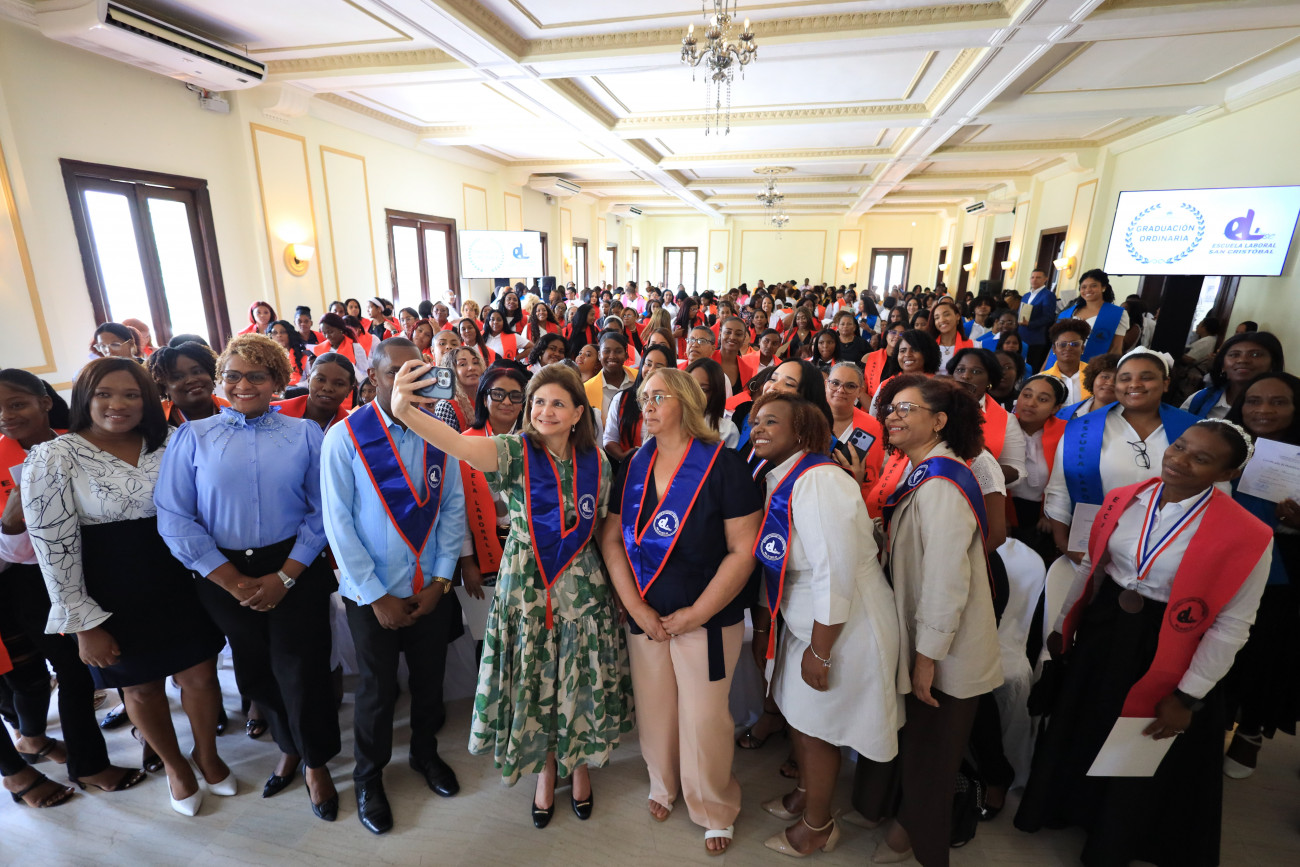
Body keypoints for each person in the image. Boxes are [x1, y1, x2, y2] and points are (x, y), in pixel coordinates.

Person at [1015, 421, 1270, 867]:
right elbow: (1093, 566)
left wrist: (1189, 696)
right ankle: (1071, 808)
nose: (1179, 459)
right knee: (1088, 721)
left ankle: (1115, 836)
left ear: (1227, 474)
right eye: (1180, 446)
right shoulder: (1127, 498)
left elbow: (1232, 624)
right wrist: (1063, 624)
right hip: (1107, 628)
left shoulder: (1247, 534)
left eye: (1201, 458)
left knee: (1142, 737)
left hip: (1169, 641)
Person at [388, 362, 632, 829]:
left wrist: (619, 591)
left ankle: (579, 765)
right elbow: (458, 445)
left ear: (578, 412)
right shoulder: (514, 451)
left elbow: (603, 529)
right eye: (537, 401)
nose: (545, 411)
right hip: (526, 588)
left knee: (578, 679)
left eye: (558, 403)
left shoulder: (598, 462)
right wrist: (405, 411)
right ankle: (546, 769)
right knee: (535, 680)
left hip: (583, 591)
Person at [21, 358, 228, 816]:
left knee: (200, 676)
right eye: (105, 394)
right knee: (141, 688)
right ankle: (176, 767)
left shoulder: (169, 441)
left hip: (181, 581)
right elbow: (53, 548)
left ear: (148, 399)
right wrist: (83, 624)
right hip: (111, 592)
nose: (119, 404)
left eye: (131, 394)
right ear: (85, 399)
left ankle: (207, 755)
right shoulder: (55, 456)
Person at [155, 334, 339, 821]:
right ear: (221, 381)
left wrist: (287, 576)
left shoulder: (305, 434)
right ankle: (289, 746)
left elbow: (324, 510)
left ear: (277, 380)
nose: (243, 385)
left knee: (303, 668)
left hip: (294, 564)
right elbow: (174, 515)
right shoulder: (193, 437)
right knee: (256, 670)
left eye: (256, 375)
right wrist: (231, 580)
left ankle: (316, 762)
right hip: (222, 570)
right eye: (233, 375)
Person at [599, 368, 761, 854]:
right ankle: (663, 782)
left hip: (707, 617)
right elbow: (611, 538)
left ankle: (714, 805)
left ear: (687, 403)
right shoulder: (632, 464)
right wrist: (635, 607)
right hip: (646, 616)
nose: (646, 406)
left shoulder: (725, 466)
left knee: (704, 717)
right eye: (642, 398)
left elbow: (743, 551)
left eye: (658, 397)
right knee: (655, 708)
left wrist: (696, 614)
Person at [320, 338, 468, 834]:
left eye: (417, 373)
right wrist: (376, 596)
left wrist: (442, 580)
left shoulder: (438, 433)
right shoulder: (345, 437)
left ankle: (425, 754)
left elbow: (452, 510)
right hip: (372, 596)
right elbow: (338, 524)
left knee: (429, 681)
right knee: (377, 690)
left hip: (429, 589)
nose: (407, 382)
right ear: (374, 378)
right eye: (395, 373)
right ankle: (368, 777)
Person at [854, 375, 1002, 866]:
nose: (891, 416)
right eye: (890, 408)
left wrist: (927, 657)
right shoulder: (923, 471)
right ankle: (900, 823)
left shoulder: (942, 482)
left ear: (939, 421)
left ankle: (920, 843)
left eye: (906, 409)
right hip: (925, 637)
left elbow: (944, 580)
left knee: (933, 755)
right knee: (917, 743)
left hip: (946, 648)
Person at [749, 393, 903, 858]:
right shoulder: (780, 476)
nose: (758, 429)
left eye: (770, 421)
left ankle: (817, 826)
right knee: (799, 715)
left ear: (801, 432)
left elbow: (834, 571)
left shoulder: (820, 480)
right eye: (755, 421)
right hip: (805, 620)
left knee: (817, 727)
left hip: (843, 627)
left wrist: (820, 650)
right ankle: (806, 796)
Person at [0, 370, 144, 795]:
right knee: (75, 670)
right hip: (32, 582)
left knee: (118, 656)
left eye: (17, 404)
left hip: (98, 566)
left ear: (45, 402)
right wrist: (11, 522)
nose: (6, 416)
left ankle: (144, 730)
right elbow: (14, 552)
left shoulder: (81, 441)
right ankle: (88, 764)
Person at [1045, 348, 1198, 561]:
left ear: (1166, 383)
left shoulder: (1193, 430)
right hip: (1093, 545)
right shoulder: (1082, 428)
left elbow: (1215, 488)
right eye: (1125, 378)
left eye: (1146, 377)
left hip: (1167, 548)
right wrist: (1062, 542)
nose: (1135, 384)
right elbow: (1059, 488)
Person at [1221, 372, 1300, 778]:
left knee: (1262, 654)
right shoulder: (1223, 443)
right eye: (1254, 401)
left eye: (1278, 401)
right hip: (1220, 565)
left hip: (1280, 573)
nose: (1263, 410)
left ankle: (1250, 731)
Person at [457, 365, 529, 601]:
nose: (507, 402)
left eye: (515, 396)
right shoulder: (465, 444)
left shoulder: (535, 443)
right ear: (484, 398)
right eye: (498, 394)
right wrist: (467, 562)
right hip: (484, 558)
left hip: (532, 557)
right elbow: (458, 510)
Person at [1007, 374, 1068, 561]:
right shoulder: (1001, 427)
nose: (1031, 403)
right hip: (1004, 509)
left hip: (1045, 516)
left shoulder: (1066, 433)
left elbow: (1068, 481)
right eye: (1026, 395)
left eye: (1042, 399)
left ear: (1056, 408)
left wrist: (1051, 515)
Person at [948, 347, 1027, 486]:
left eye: (976, 371)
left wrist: (974, 475)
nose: (965, 376)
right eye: (960, 370)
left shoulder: (1006, 419)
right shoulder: (931, 406)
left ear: (990, 380)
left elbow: (1017, 471)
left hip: (979, 494)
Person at [1181, 331, 1284, 420]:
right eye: (1234, 355)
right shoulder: (1201, 399)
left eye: (1255, 354)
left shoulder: (1284, 407)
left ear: (1273, 364)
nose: (1242, 360)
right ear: (1223, 365)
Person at [604, 345, 675, 465]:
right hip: (630, 467)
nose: (651, 370)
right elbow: (609, 439)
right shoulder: (621, 399)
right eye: (648, 364)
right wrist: (625, 457)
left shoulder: (674, 402)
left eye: (659, 366)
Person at [824, 362, 886, 493]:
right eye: (835, 383)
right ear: (826, 385)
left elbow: (876, 473)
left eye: (850, 386)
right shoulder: (808, 418)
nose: (841, 390)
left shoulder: (874, 427)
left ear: (860, 391)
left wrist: (857, 478)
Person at [1047, 269, 1129, 365]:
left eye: (1093, 286)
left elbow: (1116, 348)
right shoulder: (1069, 312)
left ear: (1103, 287)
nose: (1088, 290)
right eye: (1084, 287)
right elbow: (1054, 345)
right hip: (1060, 364)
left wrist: (1109, 370)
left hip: (1093, 366)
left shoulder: (1117, 314)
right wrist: (1043, 369)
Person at [147, 342, 228, 426]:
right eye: (178, 377)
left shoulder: (232, 409)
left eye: (197, 371)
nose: (191, 380)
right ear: (164, 387)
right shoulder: (155, 421)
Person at [273, 352, 355, 430]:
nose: (327, 388)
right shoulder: (274, 412)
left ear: (349, 390)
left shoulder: (352, 429)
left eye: (339, 384)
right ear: (309, 380)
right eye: (320, 379)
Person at [583, 331, 637, 426]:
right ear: (599, 355)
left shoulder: (638, 378)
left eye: (618, 351)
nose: (612, 356)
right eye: (607, 351)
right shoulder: (587, 389)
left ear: (626, 356)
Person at [432, 346, 486, 433]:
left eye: (475, 362)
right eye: (463, 364)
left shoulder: (487, 398)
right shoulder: (445, 406)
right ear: (451, 371)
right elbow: (447, 440)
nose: (472, 368)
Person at [1039, 319, 1091, 405]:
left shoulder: (1095, 376)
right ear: (1054, 349)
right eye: (1062, 344)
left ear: (1082, 348)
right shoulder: (1042, 379)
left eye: (1075, 344)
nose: (1068, 348)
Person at [1058, 352, 1119, 419]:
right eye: (1105, 377)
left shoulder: (1126, 419)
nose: (1110, 383)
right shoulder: (1066, 414)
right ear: (1093, 379)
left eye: (1118, 379)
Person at [1018, 269, 1058, 371]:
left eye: (1038, 277)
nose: (1034, 280)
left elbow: (1048, 317)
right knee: (1019, 364)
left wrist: (1030, 324)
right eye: (1032, 277)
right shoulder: (1026, 295)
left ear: (1045, 279)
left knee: (1032, 367)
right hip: (1021, 335)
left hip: (1035, 337)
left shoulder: (1048, 295)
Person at [314, 313, 370, 382]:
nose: (327, 336)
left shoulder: (355, 347)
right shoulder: (320, 349)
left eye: (330, 332)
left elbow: (364, 372)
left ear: (340, 329)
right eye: (324, 333)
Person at [267, 319, 313, 388]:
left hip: (300, 391)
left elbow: (313, 379)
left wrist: (294, 386)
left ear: (290, 334)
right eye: (274, 333)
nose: (279, 335)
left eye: (283, 332)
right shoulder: (268, 357)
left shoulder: (305, 354)